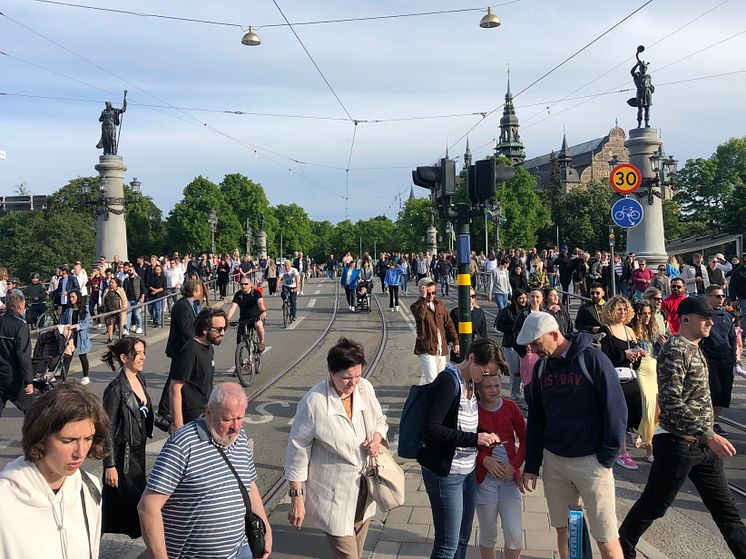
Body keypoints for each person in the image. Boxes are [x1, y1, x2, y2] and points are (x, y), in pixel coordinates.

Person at [618, 297, 746, 558]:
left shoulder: (696, 347)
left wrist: (707, 435)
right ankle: (621, 550)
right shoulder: (676, 349)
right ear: (685, 319)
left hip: (701, 446)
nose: (711, 321)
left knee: (727, 512)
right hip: (679, 445)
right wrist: (709, 434)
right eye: (704, 317)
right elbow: (671, 402)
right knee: (654, 505)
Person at [516, 312, 627, 559]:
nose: (532, 350)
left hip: (591, 461)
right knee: (564, 531)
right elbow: (536, 418)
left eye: (536, 343)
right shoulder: (541, 368)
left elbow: (616, 409)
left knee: (606, 538)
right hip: (555, 461)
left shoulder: (593, 359)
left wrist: (606, 457)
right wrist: (532, 464)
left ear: (555, 334)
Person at [139, 382, 272, 559]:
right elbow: (148, 507)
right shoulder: (183, 445)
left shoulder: (240, 439)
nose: (235, 427)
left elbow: (250, 485)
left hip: (241, 551)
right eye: (227, 419)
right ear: (208, 411)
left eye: (240, 418)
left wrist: (266, 527)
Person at [285, 338, 387, 559]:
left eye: (358, 376)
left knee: (355, 554)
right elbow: (297, 451)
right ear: (331, 372)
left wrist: (377, 438)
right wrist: (297, 498)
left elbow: (380, 420)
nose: (353, 383)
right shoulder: (314, 402)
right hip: (334, 495)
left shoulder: (365, 389)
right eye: (347, 378)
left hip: (364, 491)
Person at [419, 338, 505, 559]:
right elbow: (432, 429)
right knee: (447, 545)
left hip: (466, 471)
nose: (486, 379)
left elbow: (463, 423)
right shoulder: (448, 382)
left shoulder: (470, 383)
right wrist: (476, 439)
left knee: (462, 539)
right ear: (472, 359)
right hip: (446, 474)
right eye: (485, 373)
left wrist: (485, 433)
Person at [0, 383, 109, 558]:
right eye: (68, 440)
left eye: (88, 438)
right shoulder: (5, 500)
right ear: (40, 438)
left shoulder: (89, 488)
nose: (80, 452)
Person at [101, 337, 153, 538]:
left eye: (143, 353)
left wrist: (170, 426)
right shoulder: (115, 390)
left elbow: (144, 413)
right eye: (137, 354)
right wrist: (109, 465)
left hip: (138, 453)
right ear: (124, 358)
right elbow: (107, 428)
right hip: (124, 457)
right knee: (141, 506)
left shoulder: (140, 379)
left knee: (114, 508)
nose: (142, 357)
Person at [475, 373, 526, 559]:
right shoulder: (473, 410)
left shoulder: (511, 407)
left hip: (509, 480)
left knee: (514, 534)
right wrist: (483, 460)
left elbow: (526, 439)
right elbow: (463, 444)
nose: (495, 390)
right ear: (478, 389)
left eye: (497, 385)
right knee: (488, 534)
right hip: (484, 481)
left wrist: (514, 465)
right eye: (489, 387)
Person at [599, 296, 644, 471]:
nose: (622, 313)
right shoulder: (606, 330)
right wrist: (623, 354)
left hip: (630, 376)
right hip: (614, 378)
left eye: (625, 310)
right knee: (618, 416)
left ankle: (622, 446)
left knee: (632, 414)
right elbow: (604, 356)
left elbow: (634, 358)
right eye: (619, 309)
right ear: (611, 310)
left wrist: (637, 354)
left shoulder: (629, 331)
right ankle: (621, 452)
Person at [169, 307, 227, 431]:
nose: (223, 333)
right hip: (192, 417)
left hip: (206, 412)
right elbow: (175, 387)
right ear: (205, 329)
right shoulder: (190, 350)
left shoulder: (209, 348)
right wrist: (178, 424)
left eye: (224, 328)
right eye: (219, 329)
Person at [702, 284, 737, 437]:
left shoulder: (727, 316)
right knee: (714, 391)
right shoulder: (703, 315)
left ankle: (715, 421)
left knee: (724, 392)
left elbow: (732, 337)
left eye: (722, 296)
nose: (721, 299)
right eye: (717, 296)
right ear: (708, 297)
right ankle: (708, 422)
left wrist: (734, 356)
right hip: (710, 359)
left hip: (726, 359)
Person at [410, 277, 459, 383]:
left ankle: (435, 399)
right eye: (428, 293)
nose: (431, 296)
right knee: (432, 381)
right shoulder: (415, 306)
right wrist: (423, 299)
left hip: (441, 348)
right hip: (426, 348)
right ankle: (432, 399)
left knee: (440, 380)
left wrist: (455, 341)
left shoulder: (440, 304)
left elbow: (449, 323)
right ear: (421, 291)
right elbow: (420, 316)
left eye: (434, 292)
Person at [629, 301, 659, 462]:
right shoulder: (632, 331)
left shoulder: (653, 330)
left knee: (655, 411)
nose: (647, 317)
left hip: (654, 370)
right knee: (647, 407)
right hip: (641, 371)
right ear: (637, 315)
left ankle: (638, 430)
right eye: (643, 314)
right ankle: (650, 449)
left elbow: (658, 352)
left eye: (649, 313)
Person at [0, 292, 33, 417]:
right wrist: (28, 380)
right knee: (31, 410)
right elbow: (23, 355)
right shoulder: (20, 325)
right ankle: (33, 435)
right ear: (20, 307)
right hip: (14, 376)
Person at [494, 290, 528, 404]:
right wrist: (513, 328)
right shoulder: (507, 310)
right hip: (511, 345)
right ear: (515, 299)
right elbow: (498, 325)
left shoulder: (528, 310)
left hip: (525, 345)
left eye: (525, 298)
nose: (523, 300)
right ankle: (515, 396)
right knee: (515, 371)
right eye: (520, 298)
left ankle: (525, 396)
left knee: (525, 371)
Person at [60, 289, 92, 385]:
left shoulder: (85, 309)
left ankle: (85, 376)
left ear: (78, 297)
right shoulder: (68, 310)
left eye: (73, 297)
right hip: (70, 336)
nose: (71, 299)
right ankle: (63, 378)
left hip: (81, 336)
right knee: (67, 357)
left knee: (83, 356)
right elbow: (62, 321)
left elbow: (86, 323)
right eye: (70, 297)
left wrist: (76, 326)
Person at [226, 276, 267, 352]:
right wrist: (227, 319)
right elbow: (232, 308)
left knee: (259, 325)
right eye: (241, 284)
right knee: (239, 340)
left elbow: (260, 303)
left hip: (255, 317)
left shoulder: (256, 293)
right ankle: (241, 357)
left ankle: (261, 342)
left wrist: (263, 311)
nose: (243, 286)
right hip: (244, 318)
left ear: (250, 284)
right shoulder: (238, 294)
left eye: (245, 284)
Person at [449, 288, 487, 363]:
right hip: (458, 353)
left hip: (475, 352)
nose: (470, 299)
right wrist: (453, 344)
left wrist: (484, 349)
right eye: (467, 296)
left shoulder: (479, 312)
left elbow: (483, 333)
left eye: (473, 296)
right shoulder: (455, 312)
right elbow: (450, 331)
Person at [123, 266, 146, 334]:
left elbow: (143, 289)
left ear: (134, 271)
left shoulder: (138, 279)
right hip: (128, 300)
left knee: (137, 314)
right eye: (129, 270)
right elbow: (124, 290)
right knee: (128, 315)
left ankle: (139, 327)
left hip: (137, 299)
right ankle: (126, 329)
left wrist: (142, 297)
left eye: (131, 270)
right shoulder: (126, 280)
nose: (129, 271)